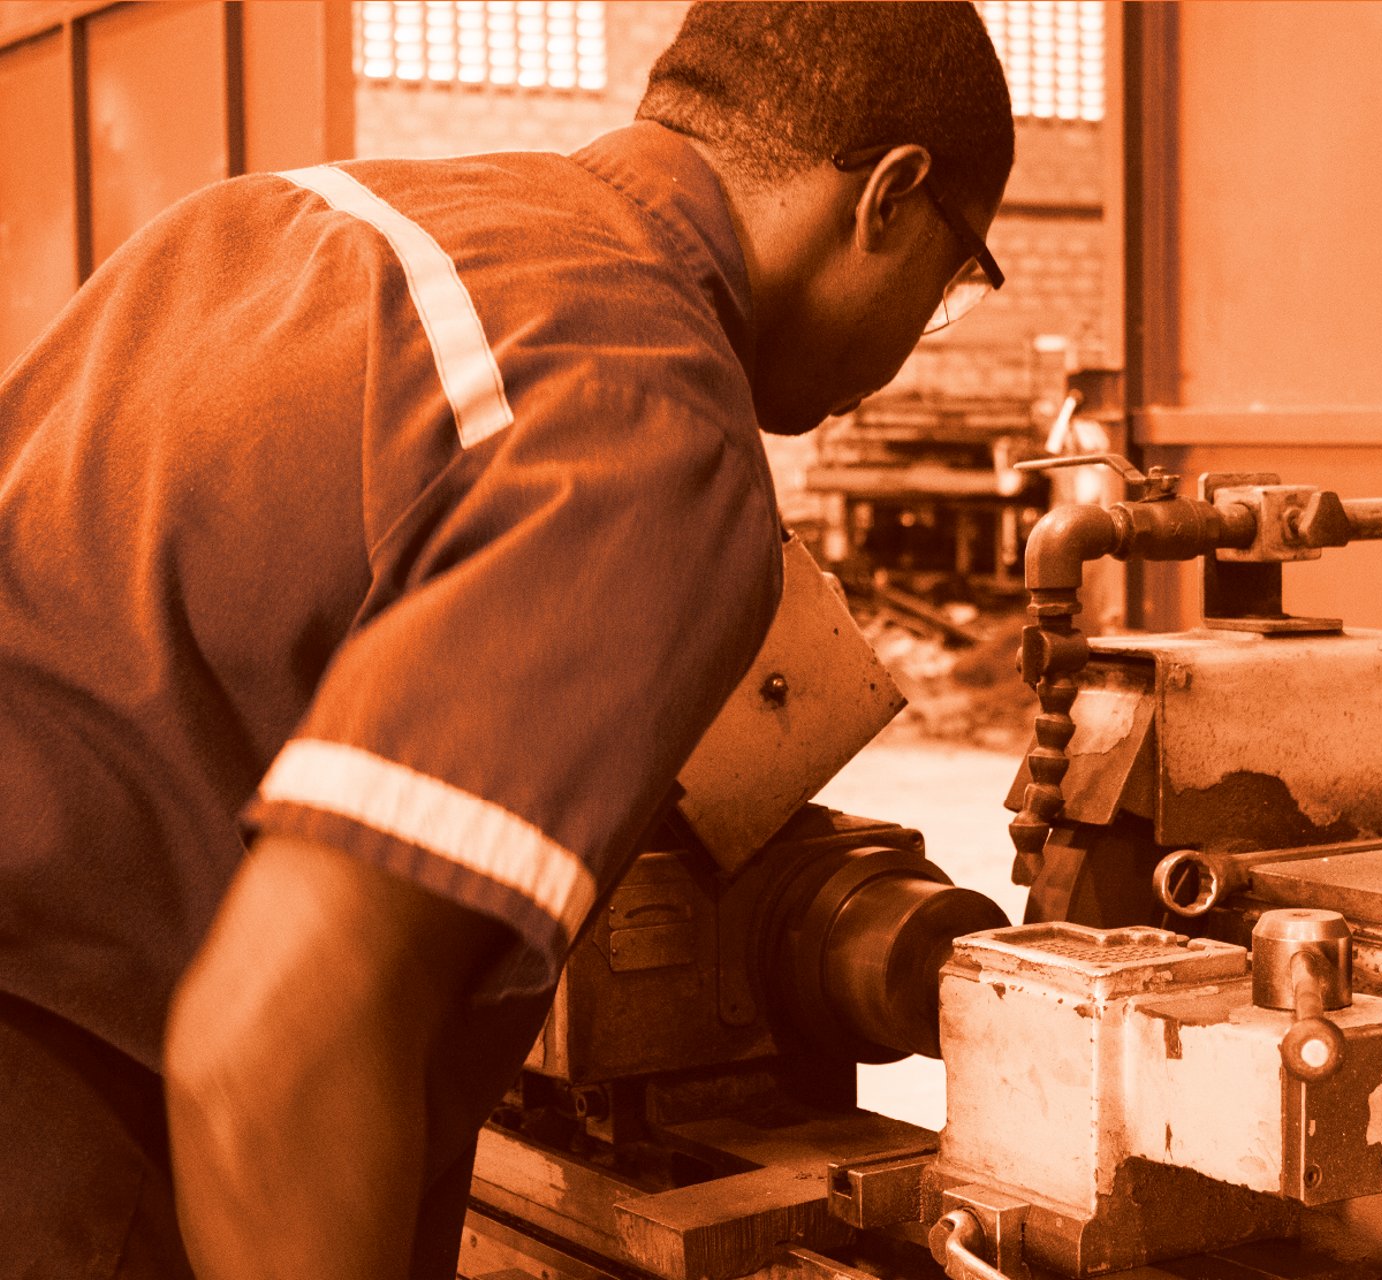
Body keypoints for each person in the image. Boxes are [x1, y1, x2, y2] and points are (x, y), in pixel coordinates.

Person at [0, 2, 1013, 1275]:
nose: (914, 342)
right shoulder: (646, 408)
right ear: (889, 198)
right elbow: (280, 1042)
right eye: (948, 284)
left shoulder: (273, 223)